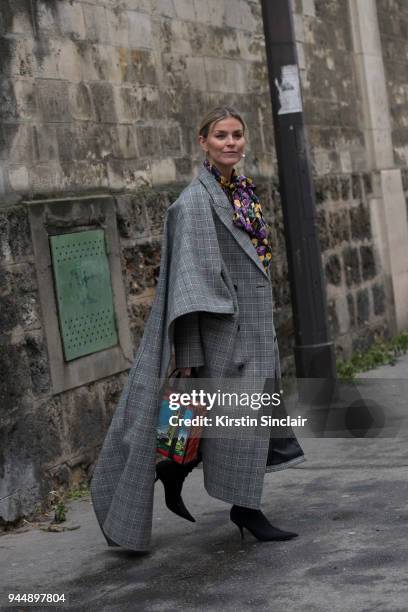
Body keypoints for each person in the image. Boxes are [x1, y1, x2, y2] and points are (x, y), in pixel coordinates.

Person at [90, 106, 305, 551]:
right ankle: (244, 510)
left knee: (237, 425)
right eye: (221, 136)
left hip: (253, 332)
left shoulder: (243, 194)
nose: (231, 143)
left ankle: (177, 470)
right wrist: (190, 360)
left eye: (238, 135)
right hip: (223, 340)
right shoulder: (193, 204)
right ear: (203, 142)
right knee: (238, 426)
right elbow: (186, 293)